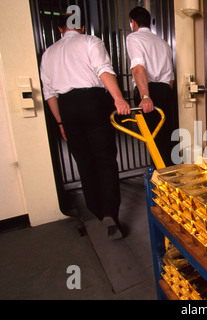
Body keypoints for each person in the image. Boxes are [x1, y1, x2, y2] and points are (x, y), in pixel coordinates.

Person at [40, 13, 130, 240]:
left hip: (67, 106)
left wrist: (60, 121)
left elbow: (49, 93)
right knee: (105, 160)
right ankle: (111, 214)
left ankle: (98, 212)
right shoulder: (90, 41)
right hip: (93, 102)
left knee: (84, 161)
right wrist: (119, 99)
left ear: (60, 29)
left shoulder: (48, 53)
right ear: (80, 26)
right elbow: (103, 70)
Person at [127, 6, 177, 166]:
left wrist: (145, 96)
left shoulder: (133, 38)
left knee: (152, 140)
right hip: (164, 91)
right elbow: (170, 78)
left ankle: (159, 179)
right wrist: (164, 94)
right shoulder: (163, 43)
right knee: (165, 139)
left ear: (133, 22)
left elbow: (138, 68)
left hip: (148, 92)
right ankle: (168, 176)